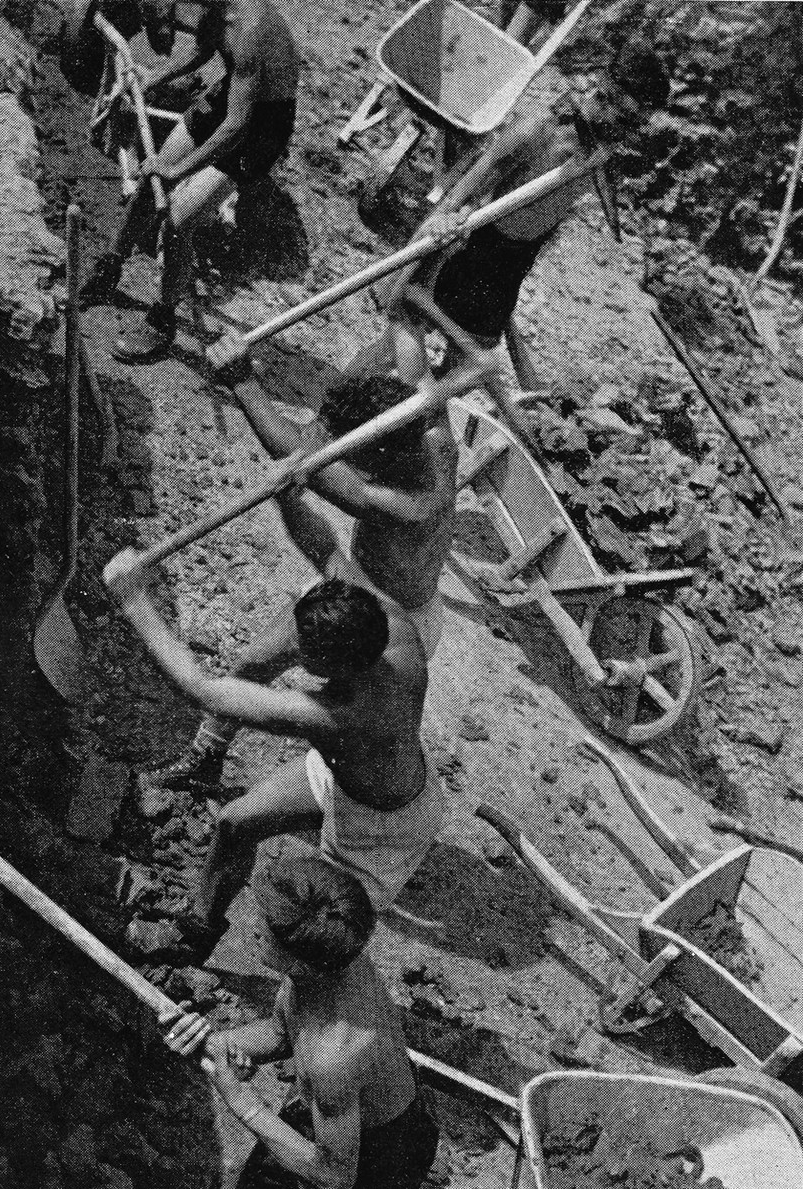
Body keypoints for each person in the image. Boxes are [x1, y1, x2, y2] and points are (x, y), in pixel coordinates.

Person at [103, 534, 446, 950]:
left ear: (334, 666)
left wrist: (134, 599)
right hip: (354, 772)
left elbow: (204, 689)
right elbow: (327, 552)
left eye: (302, 654)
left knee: (315, 934)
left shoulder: (338, 716)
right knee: (235, 823)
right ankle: (195, 935)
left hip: (382, 825)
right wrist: (290, 489)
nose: (292, 653)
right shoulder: (392, 626)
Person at [150, 371, 457, 793]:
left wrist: (245, 384)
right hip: (357, 590)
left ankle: (344, 805)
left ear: (380, 453)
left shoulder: (402, 506)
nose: (344, 459)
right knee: (256, 662)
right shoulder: (435, 436)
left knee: (337, 726)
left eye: (354, 455)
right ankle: (205, 760)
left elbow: (307, 461)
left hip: (390, 625)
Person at [360, 39, 671, 388]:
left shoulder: (602, 145)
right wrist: (428, 241)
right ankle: (333, 412)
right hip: (471, 248)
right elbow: (469, 184)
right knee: (405, 342)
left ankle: (400, 418)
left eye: (638, 124)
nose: (630, 133)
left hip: (511, 265)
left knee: (461, 372)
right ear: (605, 92)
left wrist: (513, 281)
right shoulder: (540, 130)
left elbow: (552, 215)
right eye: (628, 118)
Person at [159, 855, 439, 1189]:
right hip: (328, 1121)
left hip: (376, 1160)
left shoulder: (334, 1056)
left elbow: (335, 1178)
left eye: (266, 928)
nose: (253, 927)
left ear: (301, 963)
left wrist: (242, 1100)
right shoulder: (329, 957)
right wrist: (209, 1041)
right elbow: (280, 1032)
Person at [80, 0, 299, 363]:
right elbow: (204, 47)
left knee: (181, 219)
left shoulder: (249, 25)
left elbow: (237, 126)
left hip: (261, 126)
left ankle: (161, 320)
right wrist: (158, 76)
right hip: (233, 96)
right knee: (152, 176)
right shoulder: (213, 9)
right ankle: (111, 267)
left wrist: (178, 173)